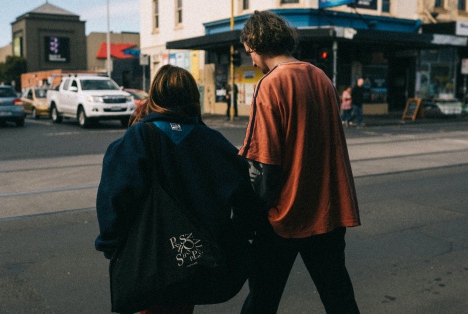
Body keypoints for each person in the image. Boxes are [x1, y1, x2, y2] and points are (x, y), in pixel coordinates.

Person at [95, 65, 260, 314]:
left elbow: (114, 197)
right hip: (197, 258)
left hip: (151, 257)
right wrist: (237, 236)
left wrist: (110, 244)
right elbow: (244, 198)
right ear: (193, 98)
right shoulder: (214, 142)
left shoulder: (137, 139)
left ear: (155, 96)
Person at [238, 10, 361, 313]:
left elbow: (266, 163)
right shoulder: (321, 77)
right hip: (327, 211)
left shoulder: (270, 85)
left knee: (262, 299)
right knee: (339, 297)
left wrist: (253, 216)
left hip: (285, 214)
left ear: (256, 43)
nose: (250, 57)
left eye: (248, 50)